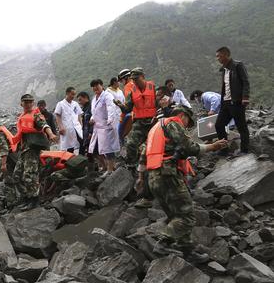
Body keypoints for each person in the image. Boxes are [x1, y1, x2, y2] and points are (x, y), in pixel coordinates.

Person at [136, 106, 228, 263]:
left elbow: (143, 157)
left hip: (153, 178)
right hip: (168, 175)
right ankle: (164, 242)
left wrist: (140, 179)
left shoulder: (154, 130)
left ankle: (188, 251)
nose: (186, 125)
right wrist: (212, 147)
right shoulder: (173, 123)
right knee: (187, 217)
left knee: (176, 216)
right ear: (182, 115)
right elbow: (189, 147)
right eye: (187, 121)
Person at [11, 94, 57, 206]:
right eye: (25, 102)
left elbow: (44, 125)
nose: (28, 104)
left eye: (30, 102)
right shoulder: (22, 116)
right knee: (16, 176)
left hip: (33, 149)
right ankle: (27, 197)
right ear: (21, 103)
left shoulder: (36, 114)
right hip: (24, 149)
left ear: (33, 103)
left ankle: (34, 200)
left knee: (30, 175)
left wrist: (51, 134)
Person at [114, 68, 157, 168]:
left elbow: (160, 104)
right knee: (130, 144)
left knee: (156, 144)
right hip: (140, 123)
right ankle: (132, 165)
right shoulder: (132, 92)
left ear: (143, 76)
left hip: (154, 122)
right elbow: (127, 109)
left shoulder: (154, 88)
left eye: (137, 79)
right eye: (133, 79)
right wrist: (120, 105)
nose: (135, 82)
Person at [215, 46, 250, 154]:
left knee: (241, 126)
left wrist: (245, 98)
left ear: (226, 55)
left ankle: (244, 150)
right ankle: (224, 149)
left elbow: (245, 81)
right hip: (226, 103)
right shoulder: (224, 70)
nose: (217, 59)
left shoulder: (238, 65)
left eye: (219, 56)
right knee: (219, 125)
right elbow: (226, 86)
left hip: (236, 102)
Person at [89, 79, 120, 177]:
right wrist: (92, 118)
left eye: (97, 85)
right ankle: (109, 167)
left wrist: (110, 119)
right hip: (98, 127)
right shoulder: (94, 98)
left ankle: (110, 169)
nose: (95, 88)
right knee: (98, 149)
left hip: (107, 125)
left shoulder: (107, 95)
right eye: (93, 86)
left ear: (101, 85)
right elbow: (94, 112)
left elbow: (111, 107)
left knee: (108, 148)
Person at [54, 87, 83, 153]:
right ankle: (70, 161)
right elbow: (57, 116)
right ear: (67, 93)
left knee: (82, 142)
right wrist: (60, 127)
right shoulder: (60, 104)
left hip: (77, 127)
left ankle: (82, 159)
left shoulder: (75, 104)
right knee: (69, 147)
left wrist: (81, 125)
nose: (73, 96)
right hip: (67, 128)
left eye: (74, 94)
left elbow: (79, 115)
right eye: (72, 94)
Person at [106, 77, 125, 142]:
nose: (119, 83)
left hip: (121, 113)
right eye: (118, 82)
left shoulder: (120, 91)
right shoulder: (108, 92)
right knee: (115, 131)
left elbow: (123, 101)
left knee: (122, 130)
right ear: (114, 82)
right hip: (113, 114)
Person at [118, 69, 134, 142]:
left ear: (126, 78)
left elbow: (128, 103)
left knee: (120, 133)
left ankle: (123, 150)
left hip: (132, 114)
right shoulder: (136, 84)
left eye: (122, 81)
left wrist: (121, 117)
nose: (121, 83)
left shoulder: (128, 86)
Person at [77, 92, 92, 156]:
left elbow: (93, 121)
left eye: (80, 99)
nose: (79, 102)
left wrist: (91, 132)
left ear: (86, 98)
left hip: (91, 134)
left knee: (93, 152)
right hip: (86, 134)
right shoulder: (84, 109)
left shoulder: (91, 107)